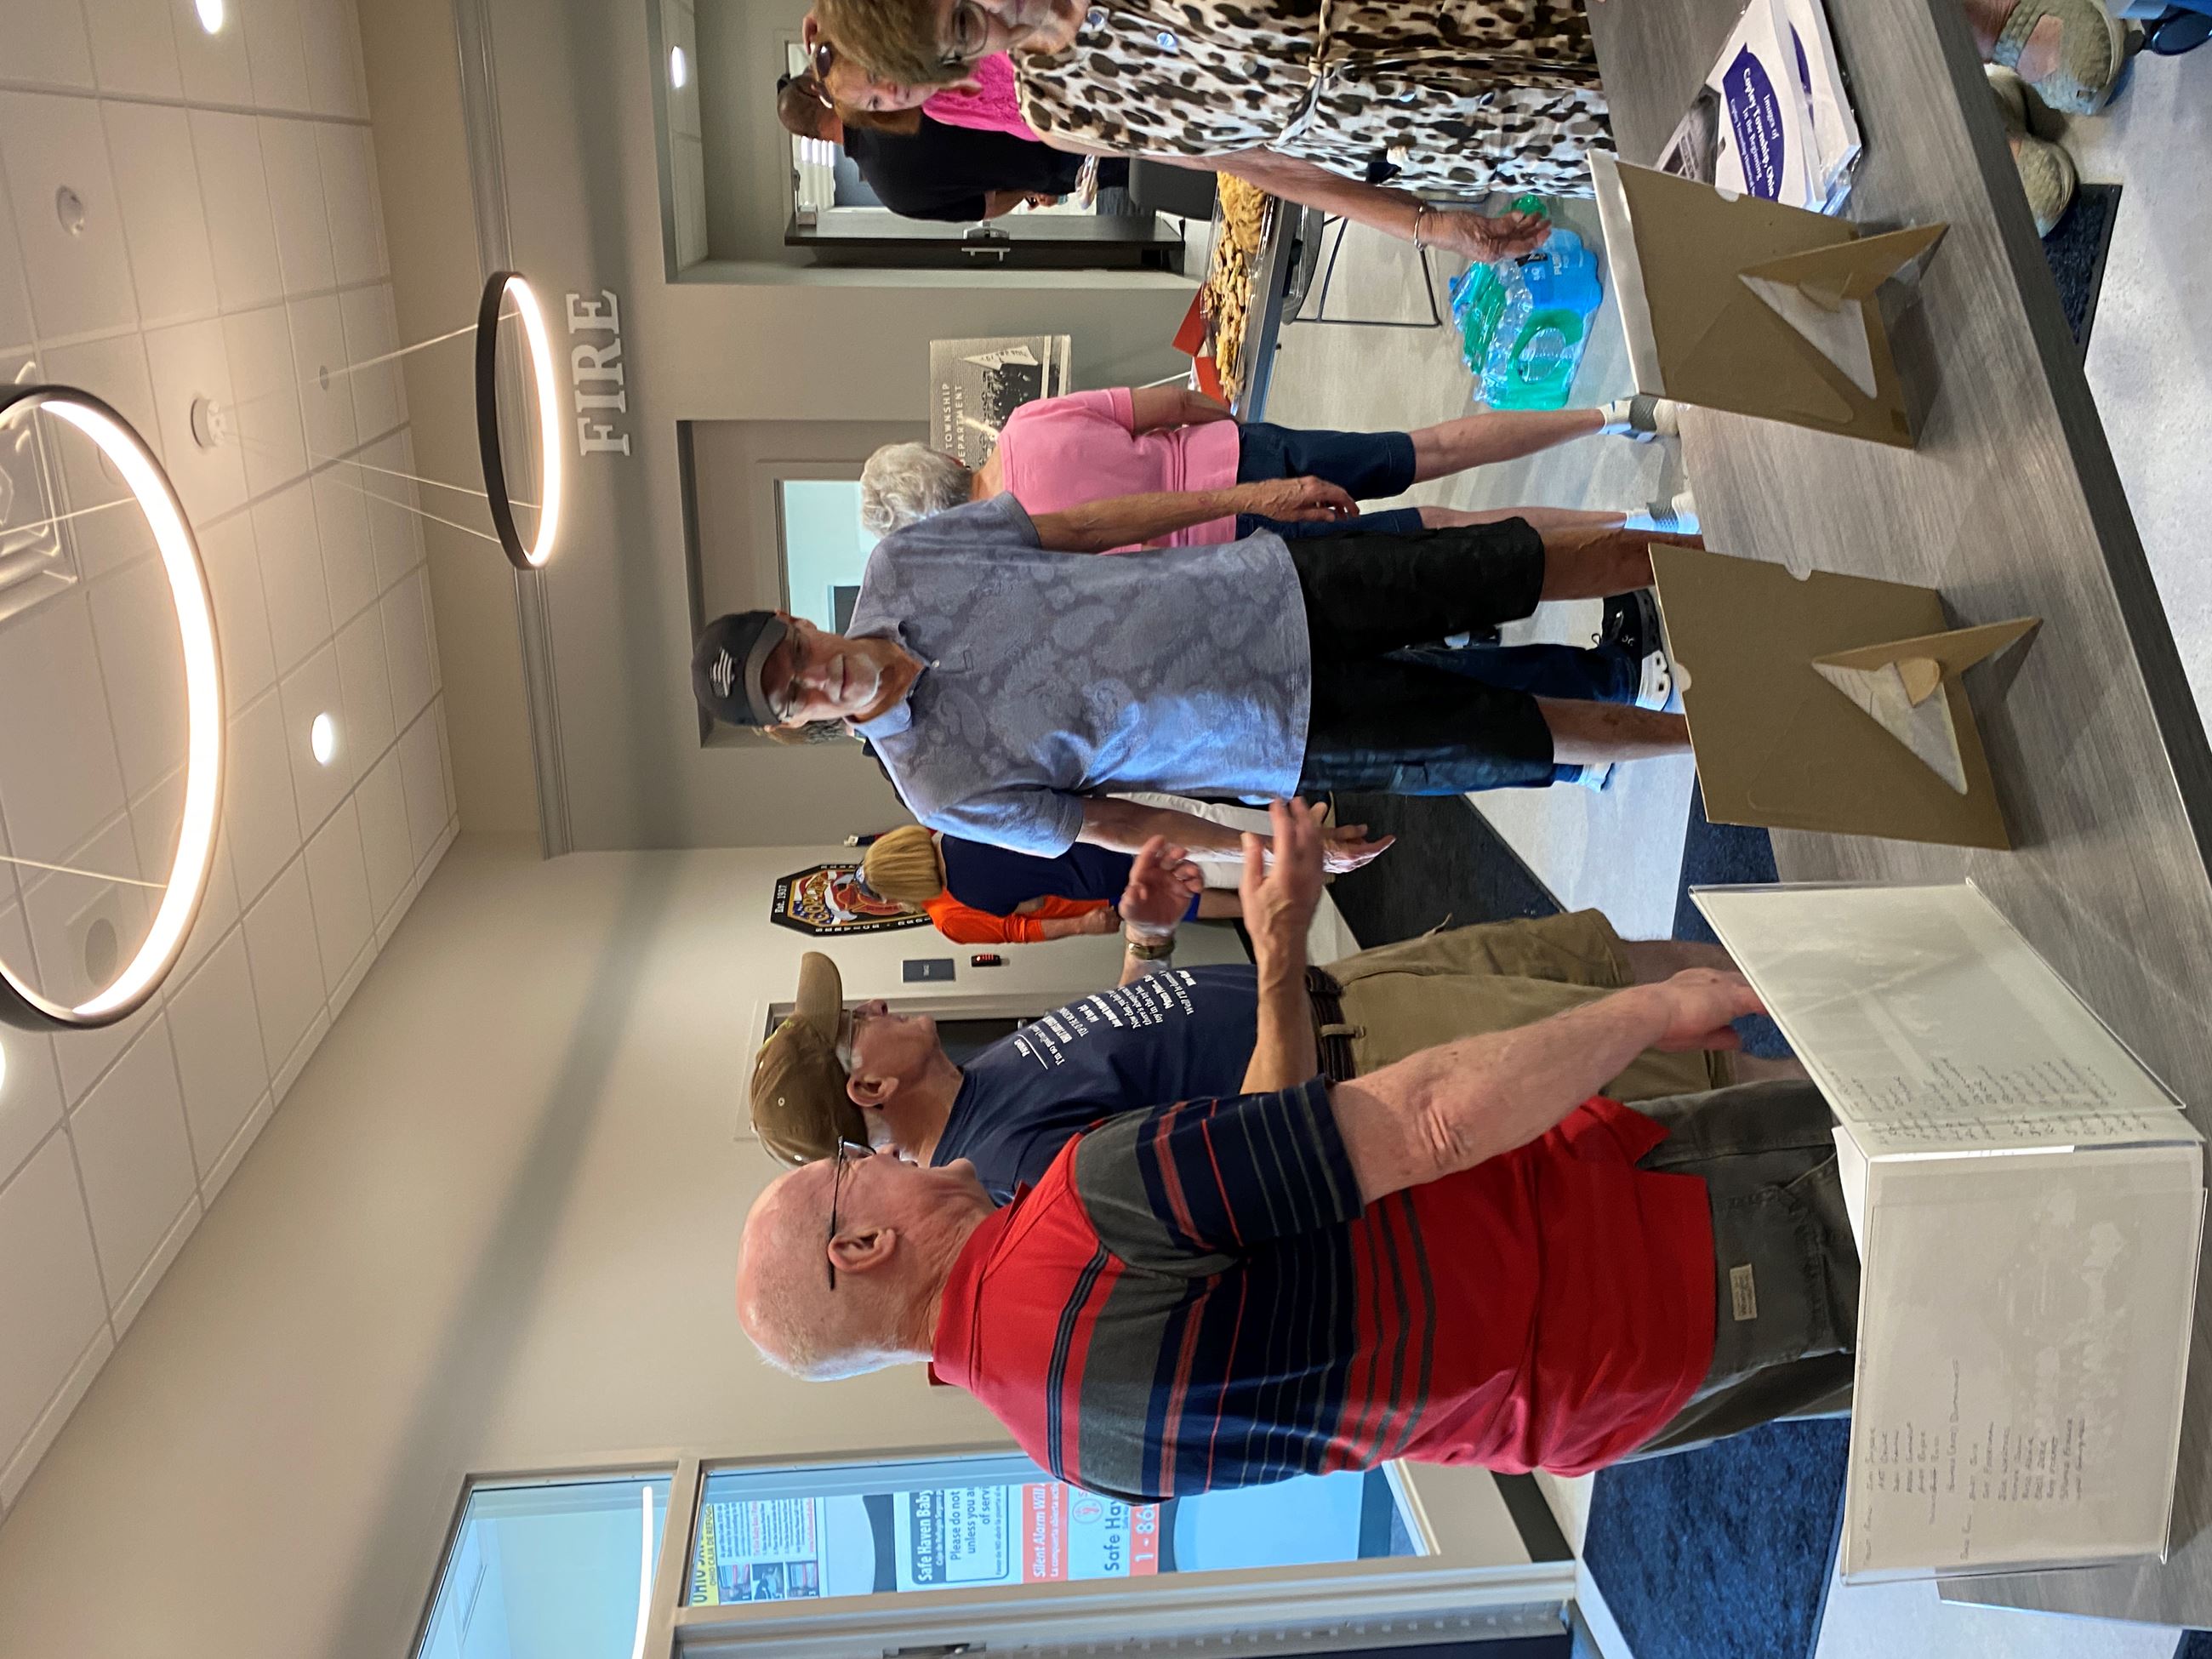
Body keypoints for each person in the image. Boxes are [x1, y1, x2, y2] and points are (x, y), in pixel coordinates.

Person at [734, 802, 1859, 1495]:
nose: (875, 1160)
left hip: (1576, 1389)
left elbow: (1257, 1280)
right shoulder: (1073, 1201)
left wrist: (1154, 943)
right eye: (850, 1172)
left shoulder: (1070, 1451)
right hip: (1619, 1261)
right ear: (864, 1243)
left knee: (1904, 1341)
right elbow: (1426, 1121)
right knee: (1895, 1208)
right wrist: (1645, 1016)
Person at [751, 830, 1806, 1197]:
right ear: (868, 1083)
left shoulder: (984, 1088)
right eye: (855, 1022)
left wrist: (1145, 940)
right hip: (1376, 1062)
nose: (875, 1001)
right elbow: (1241, 1153)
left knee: (1602, 960)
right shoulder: (1002, 1165)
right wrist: (1280, 945)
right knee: (1674, 1058)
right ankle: (1869, 1065)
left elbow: (1130, 1054)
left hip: (1352, 993)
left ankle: (1820, 965)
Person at [689, 490, 1692, 869]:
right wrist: (1263, 847)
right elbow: (1111, 823)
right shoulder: (935, 789)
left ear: (795, 619)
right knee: (1517, 735)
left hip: (1273, 585)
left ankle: (1711, 561)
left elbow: (1084, 526)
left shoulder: (904, 562)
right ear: (791, 724)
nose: (814, 677)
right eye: (791, 694)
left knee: (1509, 563)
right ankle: (1707, 739)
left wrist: (1247, 497)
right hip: (1280, 733)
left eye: (793, 652)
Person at [858, 385, 1692, 548]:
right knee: (1421, 449)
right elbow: (1169, 404)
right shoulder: (1026, 422)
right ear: (943, 457)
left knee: (1440, 532)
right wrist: (1230, 429)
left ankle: (1643, 522)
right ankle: (1613, 414)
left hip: (1236, 540)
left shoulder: (1019, 545)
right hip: (1246, 453)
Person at [857, 820, 1242, 947]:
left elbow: (1022, 916)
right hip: (1090, 855)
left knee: (1186, 876)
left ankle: (1260, 888)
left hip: (1087, 876)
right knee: (1187, 880)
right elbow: (1016, 928)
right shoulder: (954, 831)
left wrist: (1079, 924)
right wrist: (1080, 924)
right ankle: (1255, 890)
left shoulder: (958, 900)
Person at [775, 71, 1086, 223]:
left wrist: (1028, 187)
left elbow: (987, 208)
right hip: (1052, 91)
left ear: (814, 137)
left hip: (1059, 168)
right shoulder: (888, 82)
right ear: (817, 89)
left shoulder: (891, 192)